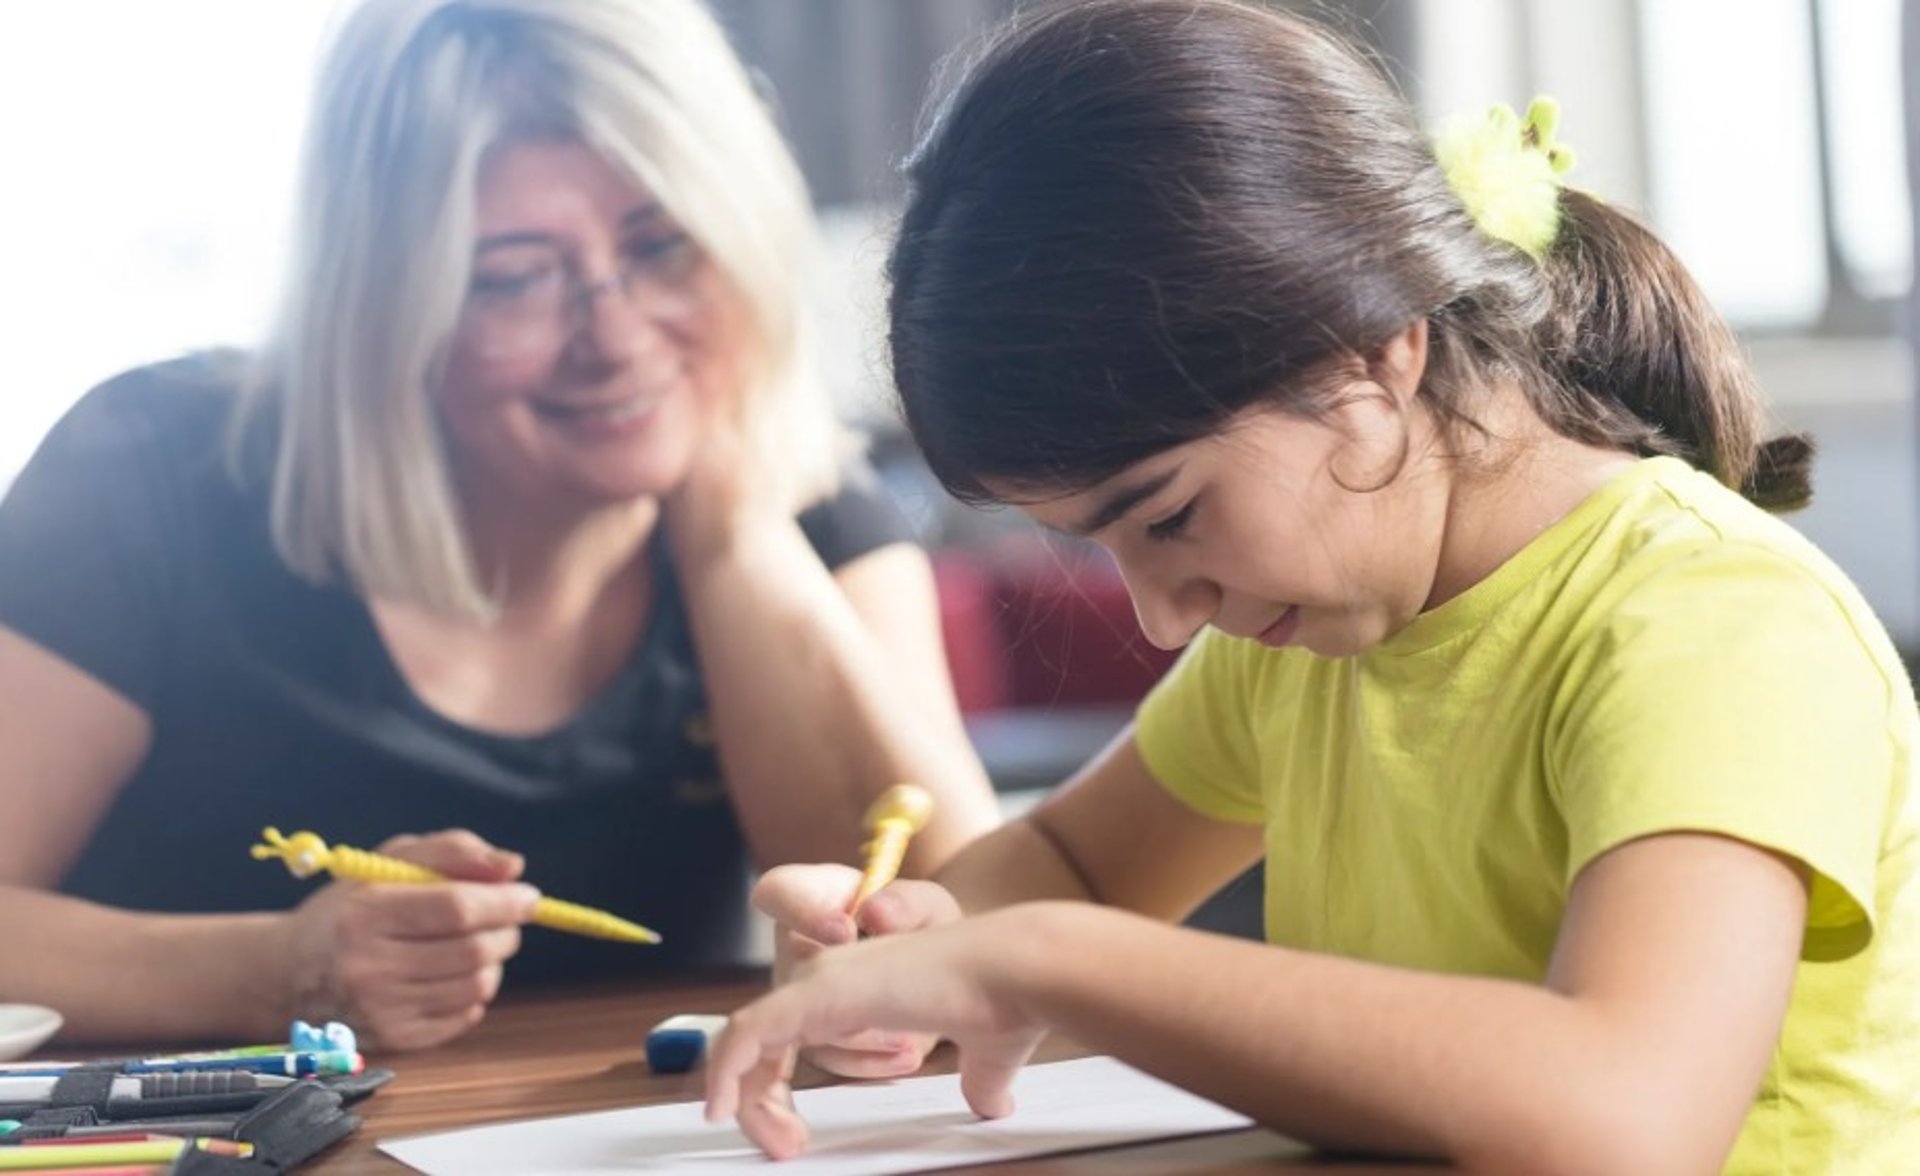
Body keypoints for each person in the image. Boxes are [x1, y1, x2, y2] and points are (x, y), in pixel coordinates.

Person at [702, 2, 1920, 1171]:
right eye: (1102, 546)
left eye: (1171, 516)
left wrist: (1048, 959)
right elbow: (1068, 865)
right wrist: (909, 955)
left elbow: (1618, 1123)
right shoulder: (1300, 642)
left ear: (1373, 351)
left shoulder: (1712, 629)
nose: (1161, 615)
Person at [0, 0, 999, 1052]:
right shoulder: (150, 468)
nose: (615, 339)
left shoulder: (809, 506)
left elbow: (960, 951)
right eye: (517, 278)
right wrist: (271, 972)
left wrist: (733, 533)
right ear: (383, 303)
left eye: (664, 246)